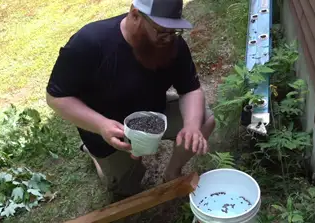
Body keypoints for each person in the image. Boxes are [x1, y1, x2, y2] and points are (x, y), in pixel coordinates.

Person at [45, 0, 215, 198]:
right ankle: (95, 155)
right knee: (126, 189)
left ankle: (172, 173)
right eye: (161, 31)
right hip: (110, 130)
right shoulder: (90, 43)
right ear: (135, 15)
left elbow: (191, 90)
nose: (168, 39)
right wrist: (100, 125)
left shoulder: (172, 43)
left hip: (153, 113)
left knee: (204, 119)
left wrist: (192, 126)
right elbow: (55, 97)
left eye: (174, 31)